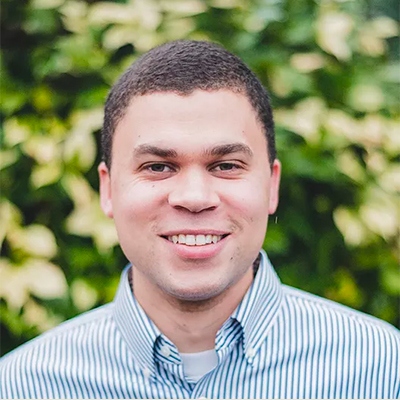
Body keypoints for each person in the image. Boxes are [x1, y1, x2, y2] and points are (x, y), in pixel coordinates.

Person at [0, 40, 399, 399]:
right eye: (158, 167)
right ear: (108, 190)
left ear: (271, 186)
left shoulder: (381, 369)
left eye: (225, 165)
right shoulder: (23, 386)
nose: (194, 198)